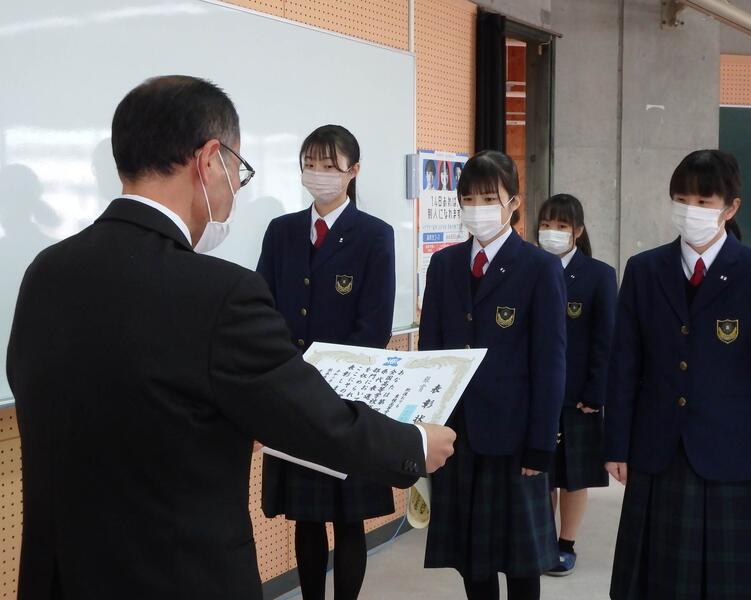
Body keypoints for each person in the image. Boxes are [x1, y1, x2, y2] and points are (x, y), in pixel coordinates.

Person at [5, 75, 456, 600]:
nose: (235, 188)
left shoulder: (46, 273)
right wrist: (413, 444)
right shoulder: (219, 293)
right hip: (181, 577)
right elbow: (312, 420)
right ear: (208, 160)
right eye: (237, 170)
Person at [606, 149, 751, 600]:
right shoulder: (644, 270)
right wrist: (616, 443)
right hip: (657, 453)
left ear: (731, 207)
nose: (689, 210)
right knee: (655, 584)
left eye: (703, 201)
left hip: (735, 460)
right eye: (681, 199)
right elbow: (624, 364)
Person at [257, 124, 396, 600]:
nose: (318, 174)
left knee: (348, 518)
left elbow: (373, 328)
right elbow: (262, 310)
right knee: (307, 517)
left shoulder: (374, 235)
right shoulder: (281, 232)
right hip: (292, 398)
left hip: (346, 400)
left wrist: (326, 382)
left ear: (353, 171)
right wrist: (285, 379)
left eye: (329, 166)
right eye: (310, 165)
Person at [419, 150, 565, 600]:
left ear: (513, 203)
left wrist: (541, 444)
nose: (477, 208)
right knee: (471, 558)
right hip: (456, 435)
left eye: (488, 198)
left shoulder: (539, 267)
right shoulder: (444, 265)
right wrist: (426, 424)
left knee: (521, 561)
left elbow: (550, 362)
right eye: (469, 199)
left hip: (514, 437)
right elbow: (430, 354)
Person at [536, 194, 615, 577]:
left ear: (578, 231)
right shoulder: (530, 267)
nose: (552, 232)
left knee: (573, 474)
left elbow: (606, 338)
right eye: (546, 225)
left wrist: (596, 392)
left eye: (561, 226)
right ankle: (540, 541)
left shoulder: (598, 274)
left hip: (578, 395)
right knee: (540, 472)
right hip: (537, 392)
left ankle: (565, 544)